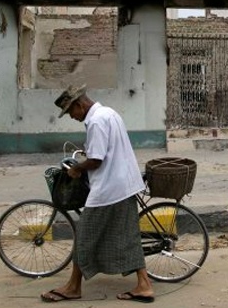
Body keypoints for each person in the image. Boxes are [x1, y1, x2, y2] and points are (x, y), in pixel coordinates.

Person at [41, 84, 155, 303]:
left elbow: (96, 160)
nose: (71, 117)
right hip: (124, 184)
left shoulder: (95, 121)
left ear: (79, 104)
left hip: (109, 188)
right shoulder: (109, 113)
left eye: (70, 112)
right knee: (128, 236)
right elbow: (105, 149)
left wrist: (77, 168)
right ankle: (144, 285)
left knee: (84, 236)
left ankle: (74, 287)